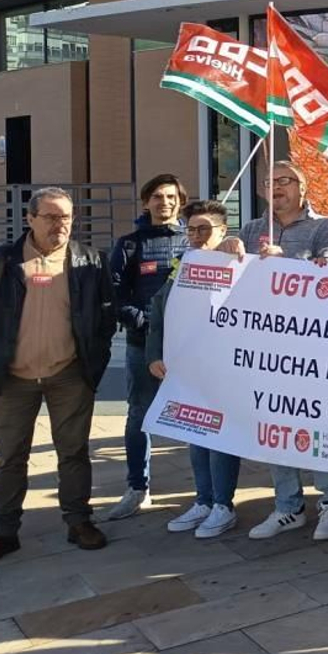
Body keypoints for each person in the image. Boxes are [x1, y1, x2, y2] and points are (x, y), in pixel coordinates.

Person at [0, 188, 116, 567]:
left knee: (74, 452)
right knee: (10, 457)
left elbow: (105, 317)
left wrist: (93, 361)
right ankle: (3, 533)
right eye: (50, 217)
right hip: (12, 378)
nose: (59, 224)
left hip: (69, 374)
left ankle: (79, 521)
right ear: (29, 219)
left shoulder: (90, 261)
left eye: (66, 217)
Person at [223, 161, 328, 542]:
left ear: (302, 188)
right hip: (267, 347)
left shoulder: (325, 227)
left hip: (313, 347)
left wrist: (290, 264)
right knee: (274, 427)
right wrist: (225, 249)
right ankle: (288, 506)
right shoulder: (250, 230)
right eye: (269, 181)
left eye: (285, 180)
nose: (276, 187)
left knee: (318, 423)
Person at [148, 199, 243, 540]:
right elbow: (159, 309)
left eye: (205, 229)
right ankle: (203, 500)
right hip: (188, 366)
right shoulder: (183, 264)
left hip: (225, 368)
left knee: (220, 436)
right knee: (194, 432)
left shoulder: (238, 263)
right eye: (191, 230)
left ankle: (223, 505)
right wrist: (154, 354)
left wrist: (235, 248)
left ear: (222, 231)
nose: (198, 236)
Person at [105, 173, 187, 521]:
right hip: (142, 345)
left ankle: (211, 494)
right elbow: (114, 293)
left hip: (190, 347)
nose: (164, 202)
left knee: (203, 415)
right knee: (139, 414)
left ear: (180, 202)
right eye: (157, 196)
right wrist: (144, 323)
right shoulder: (129, 245)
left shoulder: (195, 242)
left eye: (170, 197)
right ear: (145, 202)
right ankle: (137, 487)